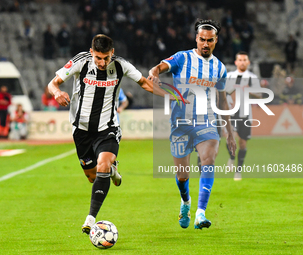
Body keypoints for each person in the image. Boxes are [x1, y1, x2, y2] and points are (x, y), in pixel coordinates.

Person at [47, 34, 168, 235]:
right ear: (91, 52)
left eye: (106, 58)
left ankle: (90, 218)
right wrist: (57, 92)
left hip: (107, 127)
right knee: (92, 176)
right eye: (98, 58)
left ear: (112, 53)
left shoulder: (121, 65)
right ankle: (111, 171)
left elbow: (145, 83)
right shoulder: (80, 61)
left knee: (103, 164)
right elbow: (53, 83)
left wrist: (171, 97)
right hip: (81, 129)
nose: (102, 63)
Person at [148, 19, 236, 230]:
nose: (205, 44)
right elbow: (161, 66)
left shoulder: (219, 68)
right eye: (202, 40)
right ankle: (186, 202)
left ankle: (200, 212)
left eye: (210, 40)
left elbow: (222, 100)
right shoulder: (183, 58)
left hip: (206, 121)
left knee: (208, 159)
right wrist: (154, 72)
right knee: (183, 175)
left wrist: (229, 133)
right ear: (196, 38)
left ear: (216, 41)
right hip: (181, 124)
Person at [225, 51, 261, 181]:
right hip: (231, 113)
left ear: (248, 62)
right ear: (236, 62)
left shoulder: (252, 78)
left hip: (245, 114)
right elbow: (222, 92)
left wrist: (249, 90)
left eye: (244, 60)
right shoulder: (229, 76)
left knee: (242, 143)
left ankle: (238, 171)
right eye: (240, 59)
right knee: (230, 137)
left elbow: (260, 95)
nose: (242, 62)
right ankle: (231, 157)